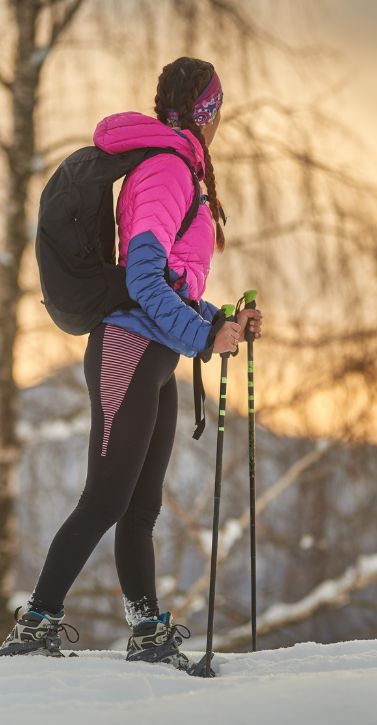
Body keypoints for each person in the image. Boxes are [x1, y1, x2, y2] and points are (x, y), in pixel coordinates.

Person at [0, 57, 262, 668]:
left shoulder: (177, 167)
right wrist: (203, 338)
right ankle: (36, 623)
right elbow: (144, 278)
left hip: (155, 352)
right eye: (219, 110)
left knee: (140, 507)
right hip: (129, 347)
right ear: (207, 112)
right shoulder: (169, 170)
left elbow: (169, 282)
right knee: (106, 498)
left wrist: (219, 321)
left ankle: (145, 627)